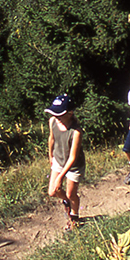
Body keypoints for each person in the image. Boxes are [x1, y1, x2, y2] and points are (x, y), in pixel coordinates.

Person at [46, 93, 85, 229]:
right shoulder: (52, 122)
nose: (56, 117)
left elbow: (73, 157)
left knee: (71, 193)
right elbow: (51, 139)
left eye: (59, 114)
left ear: (69, 113)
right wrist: (51, 156)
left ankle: (74, 218)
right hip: (59, 159)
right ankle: (67, 202)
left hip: (73, 166)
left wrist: (60, 177)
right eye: (54, 114)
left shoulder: (76, 132)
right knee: (52, 191)